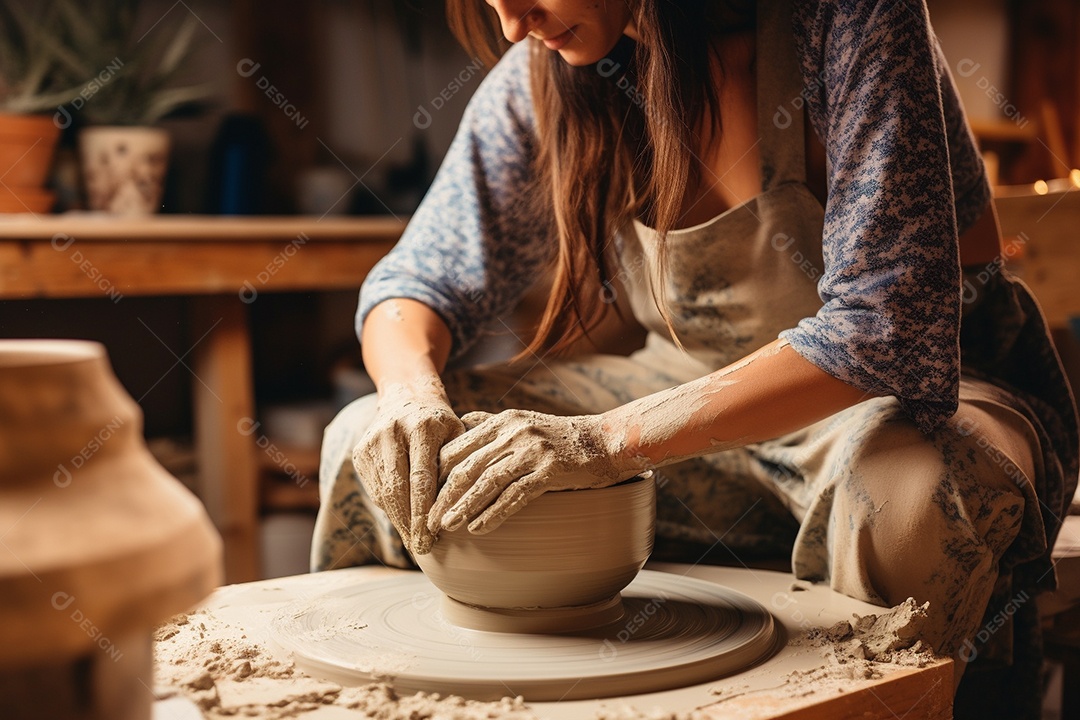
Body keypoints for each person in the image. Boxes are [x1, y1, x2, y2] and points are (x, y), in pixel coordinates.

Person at [313, 0, 1077, 710]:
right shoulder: (549, 72)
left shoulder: (848, 17)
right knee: (375, 444)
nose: (512, 25)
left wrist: (601, 441)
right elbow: (419, 282)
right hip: (684, 381)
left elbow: (885, 329)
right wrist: (411, 396)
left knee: (914, 500)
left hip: (911, 397)